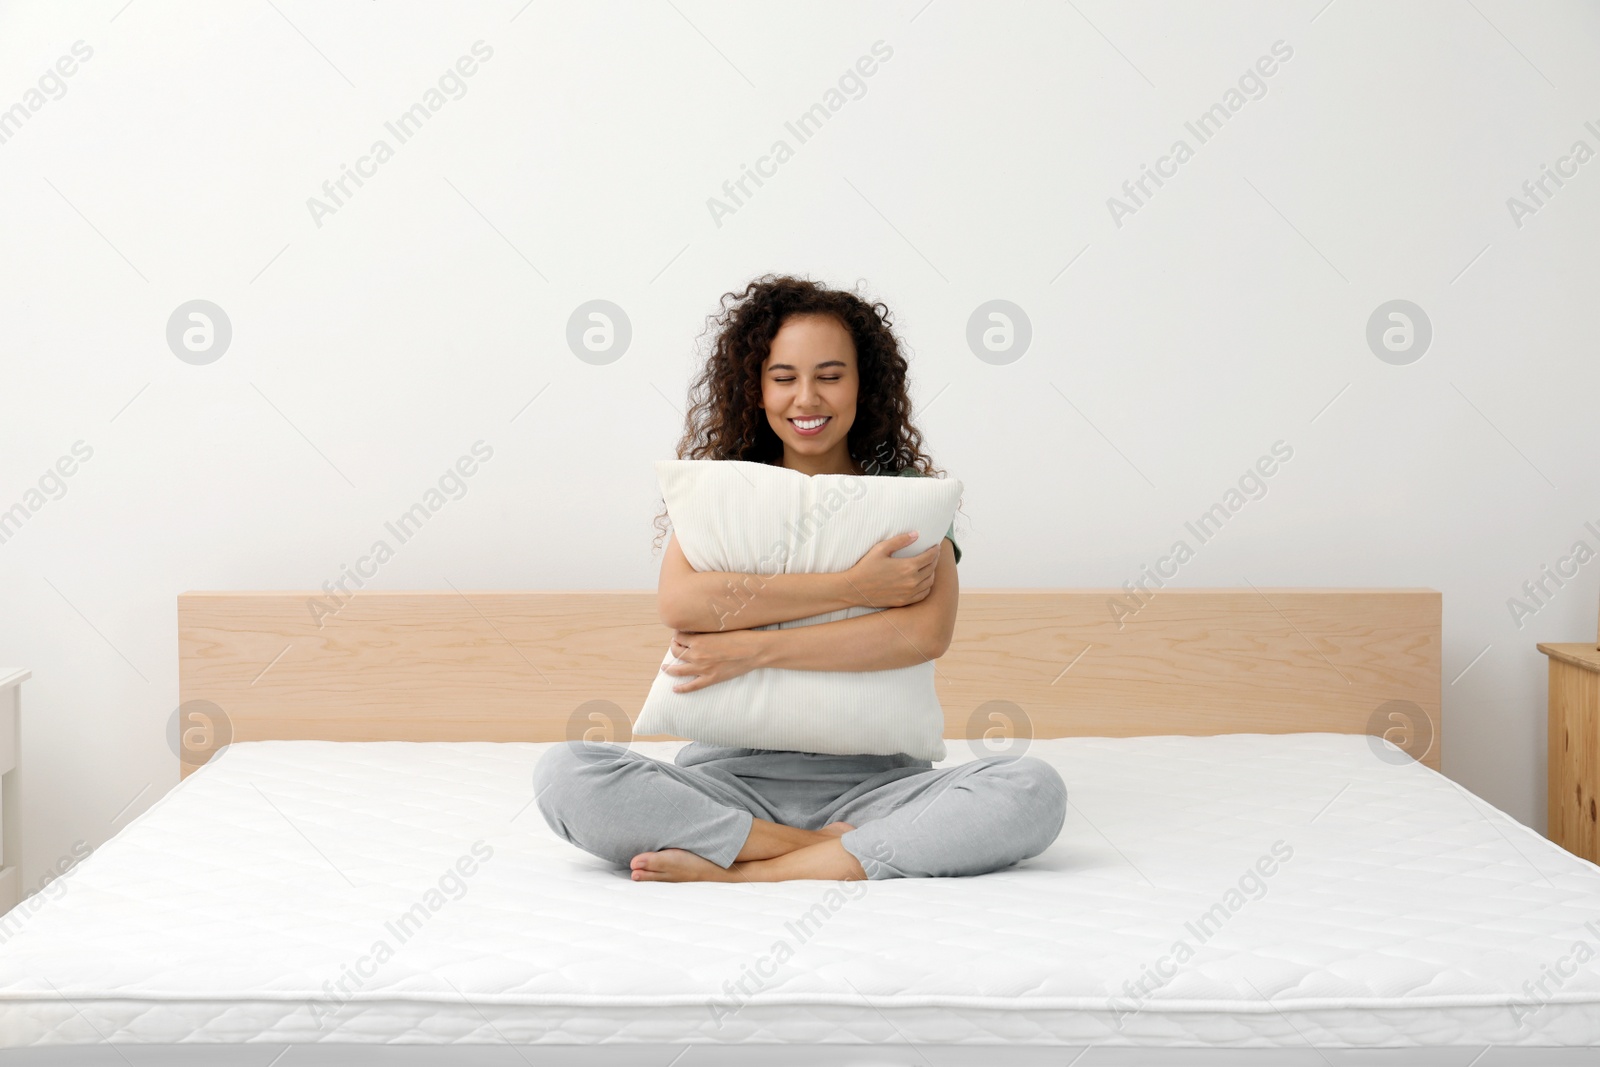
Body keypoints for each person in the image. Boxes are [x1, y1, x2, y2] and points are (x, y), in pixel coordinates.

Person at [534, 275, 1067, 882]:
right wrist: (853, 589)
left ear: (864, 385)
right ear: (756, 389)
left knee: (1032, 789)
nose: (807, 399)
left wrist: (750, 648)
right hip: (727, 784)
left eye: (831, 376)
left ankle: (748, 870)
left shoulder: (911, 500)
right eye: (784, 378)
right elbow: (684, 603)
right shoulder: (722, 490)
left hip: (879, 787)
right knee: (565, 772)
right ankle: (820, 848)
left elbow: (920, 637)